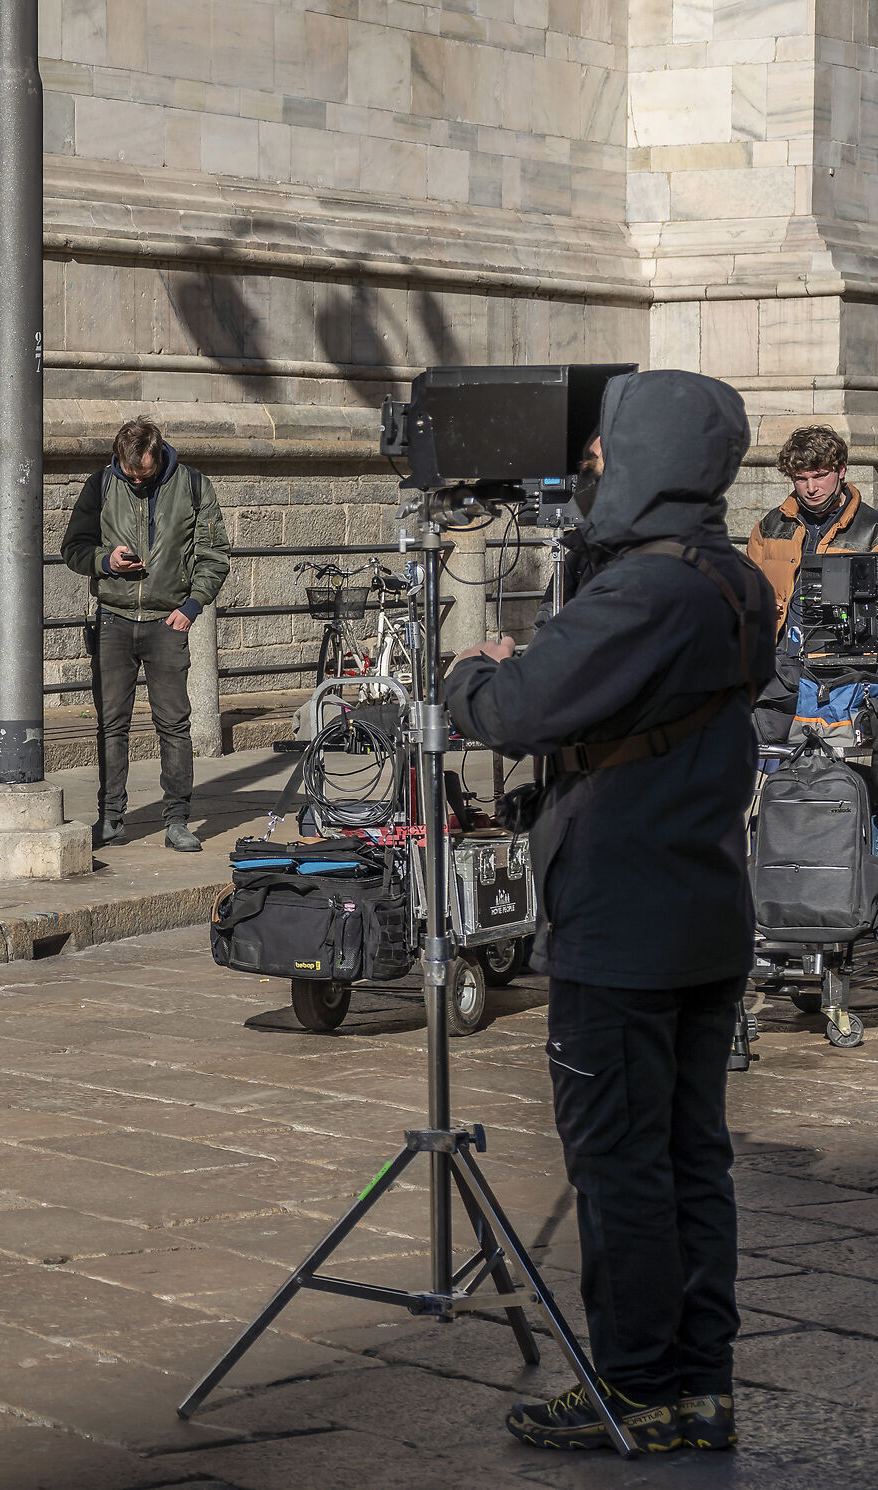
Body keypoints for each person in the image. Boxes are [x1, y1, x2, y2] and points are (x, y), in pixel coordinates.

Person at [443, 370, 776, 1454]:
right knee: (690, 1156)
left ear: (648, 456)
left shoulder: (646, 592)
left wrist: (471, 672)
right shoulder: (731, 577)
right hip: (702, 904)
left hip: (624, 914)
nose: (590, 464)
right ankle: (701, 1386)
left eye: (604, 448)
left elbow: (517, 709)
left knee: (620, 1162)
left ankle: (635, 1387)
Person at [60, 417, 230, 851]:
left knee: (174, 724)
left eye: (145, 474)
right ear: (118, 458)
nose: (136, 481)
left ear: (159, 455)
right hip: (113, 619)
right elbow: (73, 548)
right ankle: (111, 818)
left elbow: (214, 554)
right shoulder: (100, 484)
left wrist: (192, 606)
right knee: (110, 724)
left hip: (167, 620)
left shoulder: (194, 486)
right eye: (129, 473)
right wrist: (106, 561)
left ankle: (177, 820)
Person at [744, 423, 876, 654]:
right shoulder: (770, 526)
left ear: (841, 470)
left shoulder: (872, 529)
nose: (811, 488)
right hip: (777, 658)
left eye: (820, 476)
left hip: (845, 662)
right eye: (801, 479)